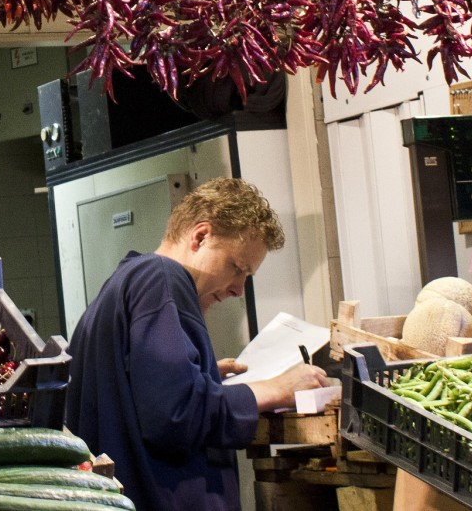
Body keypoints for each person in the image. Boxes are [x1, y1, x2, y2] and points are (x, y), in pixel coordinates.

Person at [64, 177, 330, 511]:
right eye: (237, 268)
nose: (237, 290)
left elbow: (143, 399)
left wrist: (200, 379)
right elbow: (174, 415)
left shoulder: (123, 284)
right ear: (200, 236)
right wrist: (276, 389)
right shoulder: (161, 277)